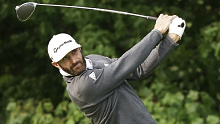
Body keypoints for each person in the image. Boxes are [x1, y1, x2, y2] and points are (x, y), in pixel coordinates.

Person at [48, 14, 186, 124]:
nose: (74, 60)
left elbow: (138, 69)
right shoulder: (81, 88)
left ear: (79, 47)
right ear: (56, 64)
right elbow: (124, 65)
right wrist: (156, 32)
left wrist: (171, 38)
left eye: (74, 52)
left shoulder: (94, 59)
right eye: (65, 58)